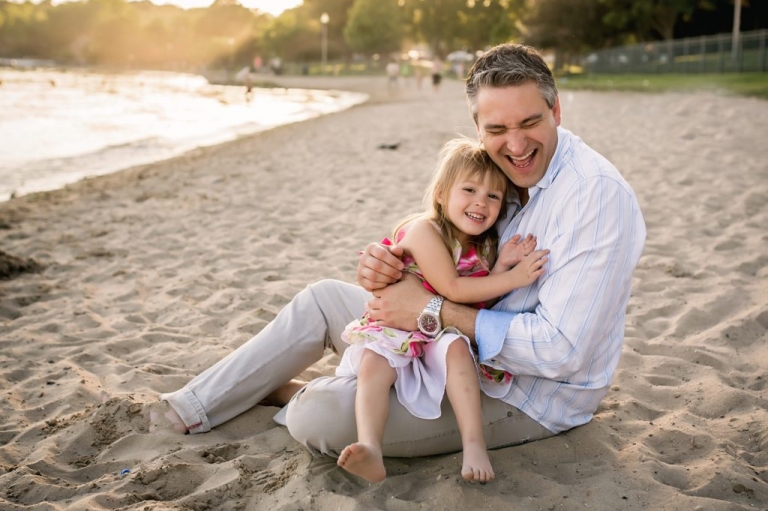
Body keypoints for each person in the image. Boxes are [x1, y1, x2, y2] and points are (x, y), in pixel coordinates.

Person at [155, 43, 645, 477]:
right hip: (447, 340)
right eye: (497, 129)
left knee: (318, 416)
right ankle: (190, 408)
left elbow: (562, 352)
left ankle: (295, 392)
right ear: (478, 129)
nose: (516, 145)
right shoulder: (501, 174)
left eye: (530, 122)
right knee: (324, 299)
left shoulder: (594, 197)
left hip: (522, 393)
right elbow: (449, 242)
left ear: (556, 109)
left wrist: (430, 311)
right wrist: (388, 266)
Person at [335, 138, 548, 483]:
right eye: (469, 190)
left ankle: (474, 445)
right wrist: (512, 278)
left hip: (438, 332)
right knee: (374, 363)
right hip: (398, 326)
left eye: (493, 196)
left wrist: (498, 267)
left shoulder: (482, 246)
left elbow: (474, 304)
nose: (481, 202)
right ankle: (370, 446)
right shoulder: (424, 231)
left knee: (459, 350)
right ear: (440, 194)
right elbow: (453, 289)